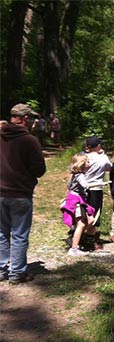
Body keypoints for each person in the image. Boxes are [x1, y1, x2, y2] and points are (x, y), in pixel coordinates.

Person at [0, 103, 47, 284]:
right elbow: (39, 169)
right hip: (20, 192)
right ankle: (17, 273)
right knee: (19, 234)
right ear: (25, 119)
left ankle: (2, 269)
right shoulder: (29, 140)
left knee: (2, 232)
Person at [61, 154, 103, 255]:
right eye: (87, 162)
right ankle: (74, 248)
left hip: (77, 199)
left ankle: (77, 238)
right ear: (82, 164)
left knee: (90, 220)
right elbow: (85, 185)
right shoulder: (79, 175)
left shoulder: (73, 174)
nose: (89, 163)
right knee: (81, 224)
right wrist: (100, 183)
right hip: (77, 201)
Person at [84, 137, 112, 231]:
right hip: (96, 188)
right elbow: (109, 167)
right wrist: (103, 153)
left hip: (83, 188)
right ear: (99, 146)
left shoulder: (82, 157)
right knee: (94, 214)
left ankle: (78, 233)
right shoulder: (102, 158)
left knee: (84, 212)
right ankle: (91, 235)